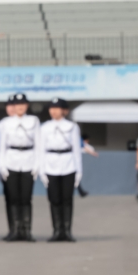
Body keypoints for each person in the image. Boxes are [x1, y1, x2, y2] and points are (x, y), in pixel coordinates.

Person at [0, 93, 41, 242]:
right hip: (11, 161)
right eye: (17, 104)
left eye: (23, 104)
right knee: (14, 198)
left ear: (27, 106)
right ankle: (15, 230)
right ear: (13, 107)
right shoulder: (5, 123)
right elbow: (2, 146)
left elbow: (38, 144)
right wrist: (2, 166)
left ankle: (26, 230)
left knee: (26, 198)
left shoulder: (33, 121)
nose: (20, 107)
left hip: (28, 160)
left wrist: (37, 164)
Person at [39, 98, 82, 242]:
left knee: (67, 199)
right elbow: (41, 150)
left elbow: (76, 149)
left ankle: (67, 231)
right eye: (52, 108)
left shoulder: (72, 127)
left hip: (68, 164)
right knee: (54, 199)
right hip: (51, 165)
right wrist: (42, 170)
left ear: (65, 111)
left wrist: (79, 170)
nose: (54, 111)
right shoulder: (44, 127)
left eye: (57, 108)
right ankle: (57, 230)